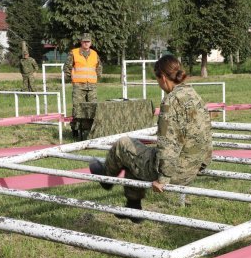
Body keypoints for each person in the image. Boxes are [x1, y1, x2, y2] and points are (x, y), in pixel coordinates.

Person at [89, 55, 212, 222]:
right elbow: (206, 133)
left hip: (174, 173)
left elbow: (167, 143)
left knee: (123, 145)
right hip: (193, 168)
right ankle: (133, 208)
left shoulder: (171, 101)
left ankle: (106, 179)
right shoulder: (193, 95)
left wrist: (163, 179)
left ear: (162, 76)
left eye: (156, 78)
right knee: (134, 158)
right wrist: (202, 164)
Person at [67, 33, 102, 140]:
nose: (86, 43)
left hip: (92, 86)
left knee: (92, 108)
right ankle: (76, 130)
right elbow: (67, 68)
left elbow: (99, 68)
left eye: (88, 41)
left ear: (91, 43)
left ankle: (90, 130)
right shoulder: (74, 53)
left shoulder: (94, 54)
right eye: (84, 41)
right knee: (77, 108)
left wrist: (96, 78)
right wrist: (73, 80)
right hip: (78, 85)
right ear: (81, 42)